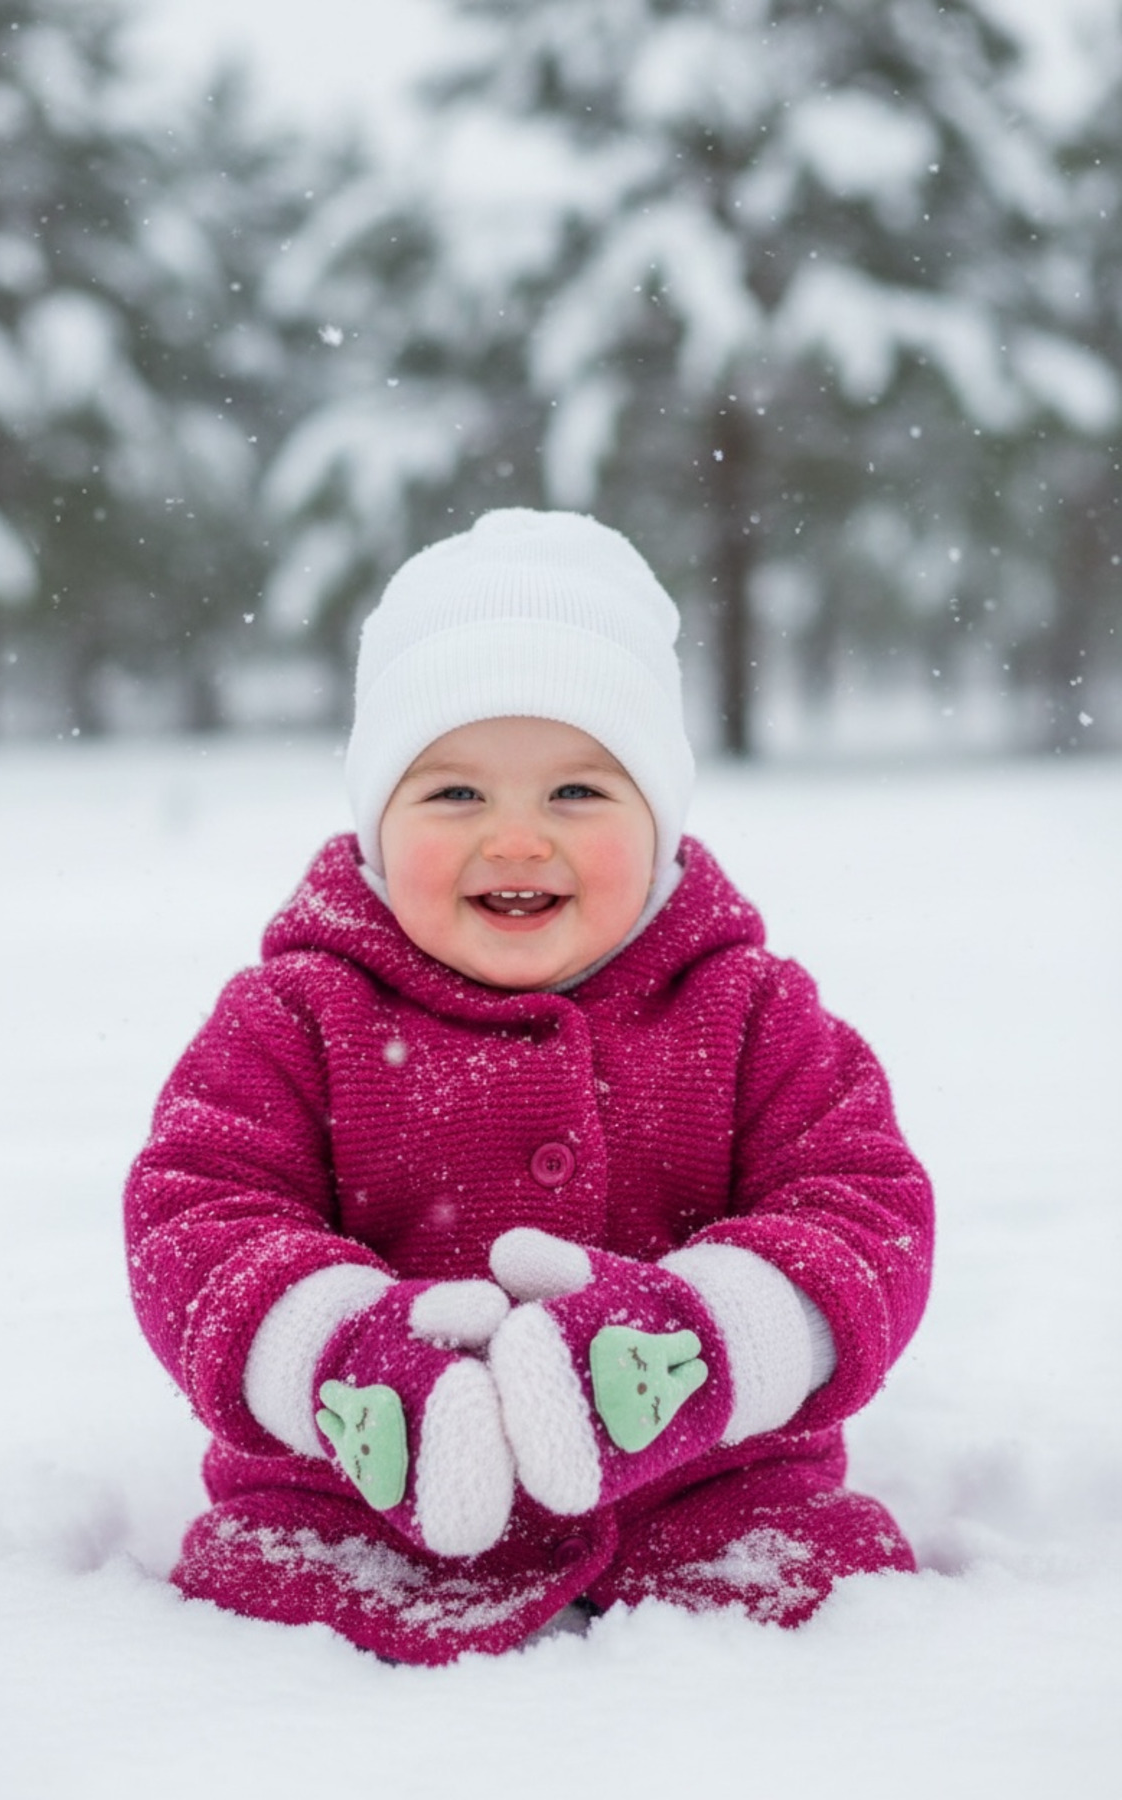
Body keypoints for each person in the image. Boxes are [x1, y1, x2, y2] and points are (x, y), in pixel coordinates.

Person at [125, 508, 932, 1665]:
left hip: (712, 1508)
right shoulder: (297, 1016)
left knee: (822, 1628)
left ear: (660, 827)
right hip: (353, 1518)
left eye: (577, 795)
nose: (515, 841)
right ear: (374, 824)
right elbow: (197, 1217)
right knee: (269, 1635)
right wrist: (345, 1357)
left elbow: (864, 1210)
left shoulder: (751, 1012)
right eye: (454, 795)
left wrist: (699, 1343)